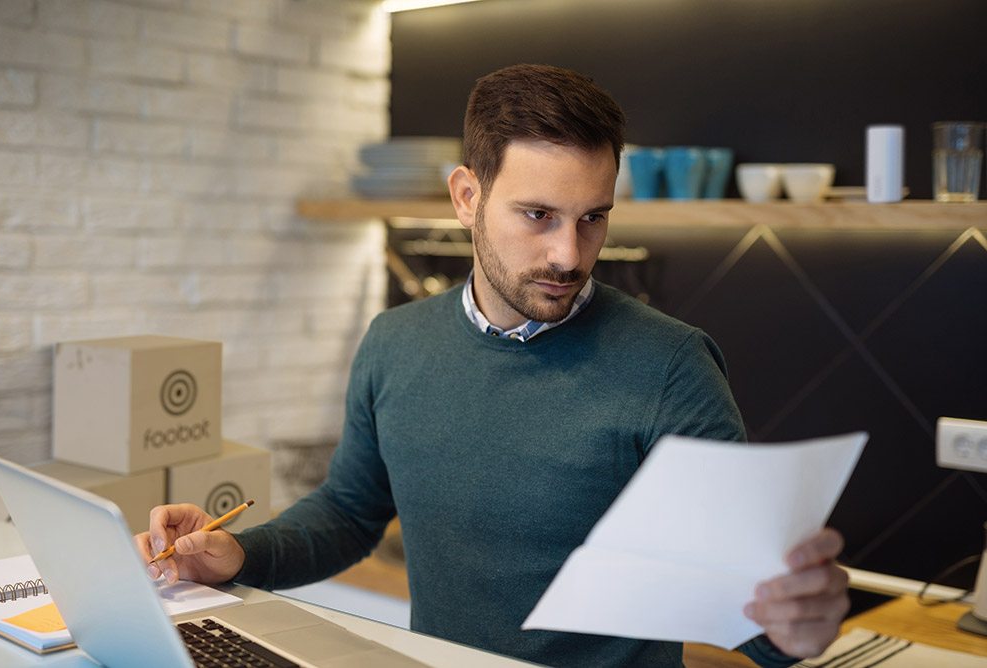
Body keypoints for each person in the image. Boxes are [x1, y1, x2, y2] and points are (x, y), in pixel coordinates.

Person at [136, 64, 850, 668]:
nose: (569, 254)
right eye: (537, 215)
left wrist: (793, 630)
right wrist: (237, 554)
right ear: (466, 197)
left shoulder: (670, 365)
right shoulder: (395, 342)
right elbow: (351, 513)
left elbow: (746, 594)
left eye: (592, 217)